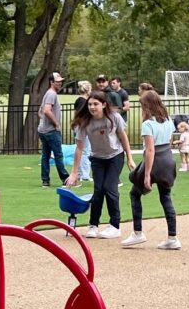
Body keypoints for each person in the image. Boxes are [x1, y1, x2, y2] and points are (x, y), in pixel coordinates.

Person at [66, 90, 136, 239]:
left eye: (96, 104)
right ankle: (93, 225)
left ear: (104, 105)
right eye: (90, 104)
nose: (92, 107)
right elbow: (79, 148)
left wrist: (130, 158)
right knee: (98, 191)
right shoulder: (84, 122)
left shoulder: (114, 117)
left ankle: (115, 225)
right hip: (97, 159)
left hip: (115, 156)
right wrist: (74, 173)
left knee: (109, 188)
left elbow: (123, 138)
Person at [122, 90, 181, 249]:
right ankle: (172, 237)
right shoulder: (168, 120)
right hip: (168, 160)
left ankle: (138, 232)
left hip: (155, 161)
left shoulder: (148, 124)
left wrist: (147, 174)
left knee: (135, 194)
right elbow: (167, 143)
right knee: (166, 197)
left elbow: (150, 150)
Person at [37, 72, 69, 188]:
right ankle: (66, 179)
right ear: (51, 82)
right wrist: (56, 123)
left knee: (45, 155)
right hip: (51, 131)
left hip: (43, 130)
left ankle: (45, 181)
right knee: (58, 155)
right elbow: (46, 110)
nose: (60, 83)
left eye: (61, 81)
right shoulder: (51, 94)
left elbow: (40, 112)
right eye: (57, 81)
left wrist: (43, 122)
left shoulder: (47, 94)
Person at [72, 81, 93, 182]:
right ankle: (84, 174)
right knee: (85, 151)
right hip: (83, 127)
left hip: (80, 126)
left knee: (82, 150)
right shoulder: (83, 101)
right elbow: (82, 116)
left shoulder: (79, 100)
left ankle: (80, 173)